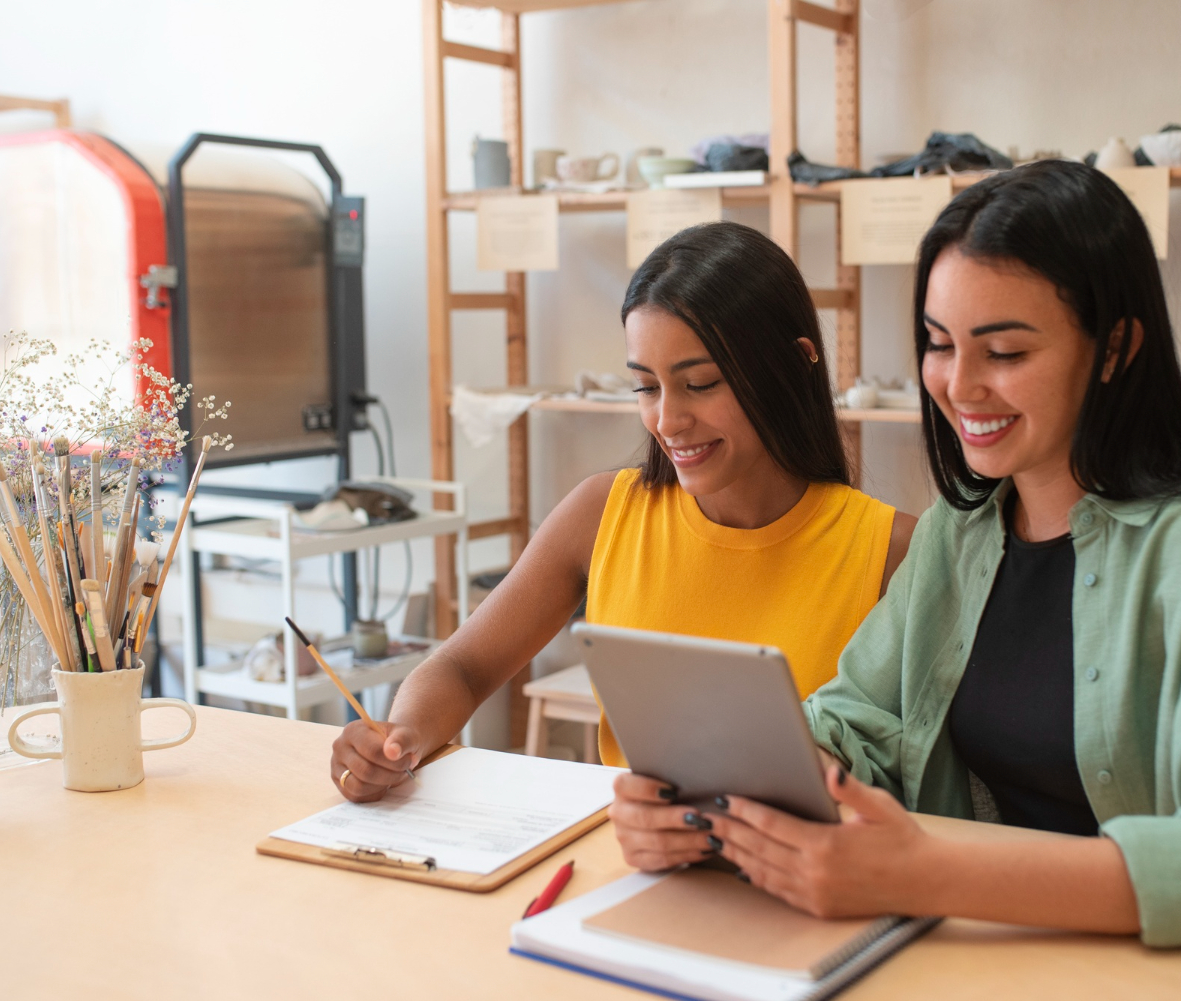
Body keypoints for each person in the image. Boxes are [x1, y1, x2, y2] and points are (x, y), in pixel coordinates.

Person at [631, 161, 1181, 947]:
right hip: (975, 954)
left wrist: (925, 874)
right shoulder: (961, 531)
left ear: (1115, 347)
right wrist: (701, 794)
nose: (958, 385)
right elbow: (855, 721)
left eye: (1004, 352)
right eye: (939, 344)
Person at [329, 221, 915, 807]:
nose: (668, 420)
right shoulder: (602, 513)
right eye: (646, 387)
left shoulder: (893, 553)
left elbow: (916, 780)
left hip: (798, 860)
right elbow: (463, 666)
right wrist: (399, 739)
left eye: (701, 383)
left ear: (797, 362)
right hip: (632, 849)